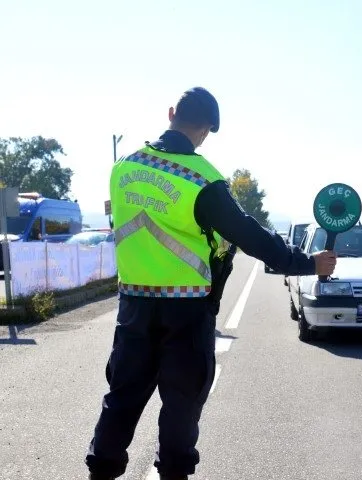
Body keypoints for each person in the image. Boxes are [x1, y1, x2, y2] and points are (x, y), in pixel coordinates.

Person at [85, 86, 337, 480]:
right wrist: (307, 263)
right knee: (181, 405)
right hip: (186, 313)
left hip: (132, 306)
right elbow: (251, 236)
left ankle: (99, 472)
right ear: (206, 130)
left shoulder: (122, 169)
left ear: (171, 113)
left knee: (121, 399)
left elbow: (126, 225)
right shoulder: (202, 179)